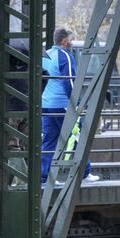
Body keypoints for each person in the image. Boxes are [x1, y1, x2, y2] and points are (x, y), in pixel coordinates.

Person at [41, 26, 98, 183]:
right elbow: (70, 82)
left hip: (46, 104)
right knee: (76, 136)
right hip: (63, 105)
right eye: (71, 39)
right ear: (64, 41)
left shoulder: (46, 55)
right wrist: (78, 104)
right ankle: (83, 173)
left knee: (49, 141)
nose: (72, 42)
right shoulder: (65, 56)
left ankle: (43, 176)